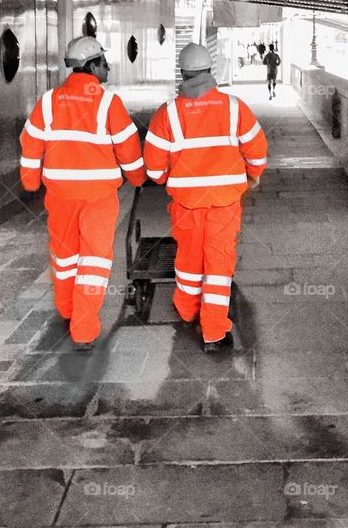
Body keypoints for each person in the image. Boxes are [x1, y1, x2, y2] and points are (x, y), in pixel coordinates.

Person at [19, 35, 145, 351]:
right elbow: (128, 148)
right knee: (95, 260)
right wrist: (138, 177)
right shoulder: (107, 103)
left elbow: (31, 143)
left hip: (59, 196)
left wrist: (31, 182)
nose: (108, 67)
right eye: (104, 62)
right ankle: (84, 330)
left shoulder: (49, 101)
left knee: (64, 257)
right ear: (92, 65)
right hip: (98, 197)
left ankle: (68, 311)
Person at [144, 43, 268, 352]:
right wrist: (253, 174)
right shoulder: (234, 107)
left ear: (182, 74)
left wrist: (164, 179)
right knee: (218, 259)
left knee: (187, 257)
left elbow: (154, 165)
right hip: (224, 201)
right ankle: (213, 330)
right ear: (210, 71)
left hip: (186, 202)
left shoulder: (167, 113)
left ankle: (187, 310)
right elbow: (256, 148)